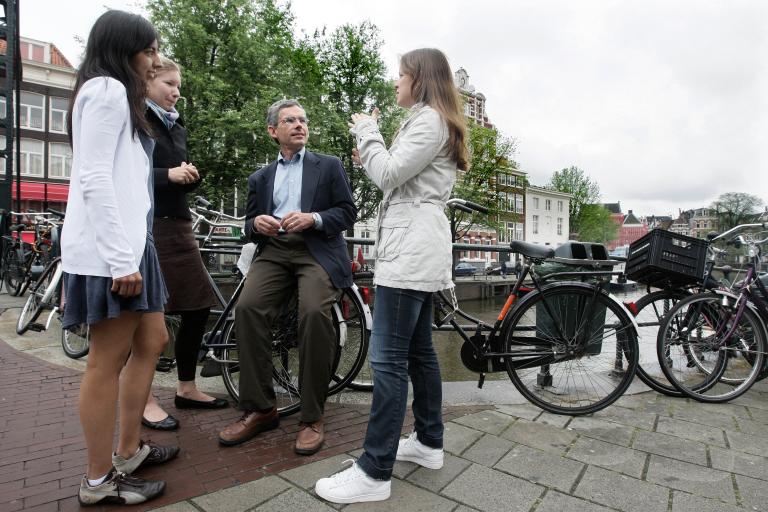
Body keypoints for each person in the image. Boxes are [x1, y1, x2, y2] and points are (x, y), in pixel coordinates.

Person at [315, 48, 469, 503]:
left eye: (400, 76)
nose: (395, 83)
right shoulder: (431, 120)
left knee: (387, 362)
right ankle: (427, 442)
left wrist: (367, 131)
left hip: (409, 254)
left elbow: (386, 175)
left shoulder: (428, 121)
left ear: (419, 79)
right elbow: (396, 173)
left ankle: (374, 470)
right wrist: (376, 147)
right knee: (420, 353)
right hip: (417, 248)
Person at [61, 10, 179, 506]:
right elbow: (93, 177)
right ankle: (97, 480)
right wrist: (118, 260)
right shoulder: (107, 91)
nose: (155, 58)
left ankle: (129, 449)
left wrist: (135, 248)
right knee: (105, 362)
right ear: (124, 47)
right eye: (149, 49)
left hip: (134, 245)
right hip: (114, 254)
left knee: (153, 338)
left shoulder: (119, 95)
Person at [218, 99, 356, 455]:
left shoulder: (328, 166)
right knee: (247, 309)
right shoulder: (260, 177)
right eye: (289, 120)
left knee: (313, 314)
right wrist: (255, 224)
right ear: (272, 131)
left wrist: (314, 219)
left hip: (316, 250)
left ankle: (312, 417)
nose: (299, 125)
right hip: (275, 251)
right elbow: (249, 227)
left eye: (303, 120)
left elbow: (346, 212)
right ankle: (261, 408)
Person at [140, 55, 227, 432]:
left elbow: (176, 173)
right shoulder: (137, 119)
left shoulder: (176, 124)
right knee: (146, 315)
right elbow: (126, 170)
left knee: (197, 305)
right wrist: (168, 174)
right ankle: (141, 398)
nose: (176, 92)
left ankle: (186, 387)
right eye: (169, 84)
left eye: (178, 86)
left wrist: (189, 176)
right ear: (147, 81)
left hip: (179, 224)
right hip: (148, 225)